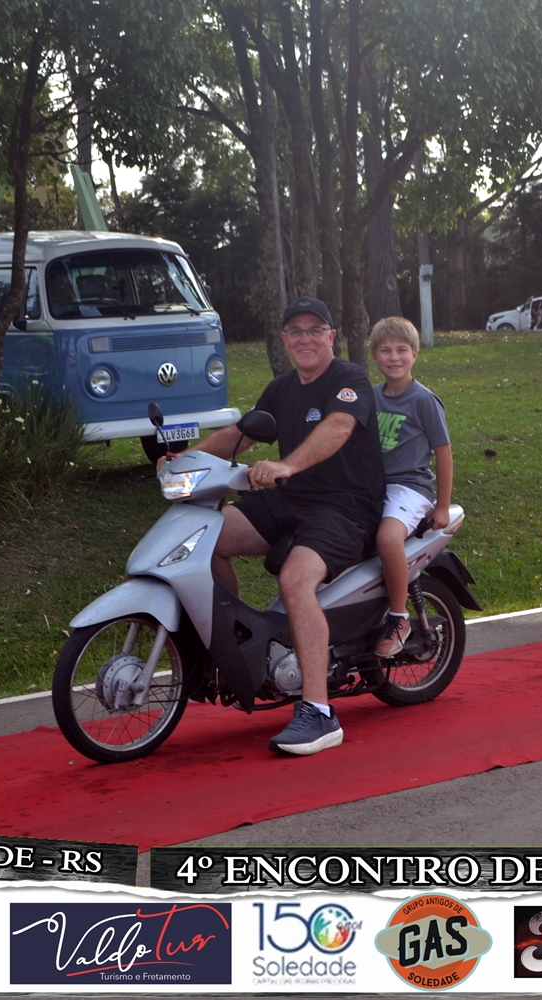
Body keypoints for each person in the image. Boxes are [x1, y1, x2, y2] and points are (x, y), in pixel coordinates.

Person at [177, 296, 383, 756]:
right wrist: (183, 461)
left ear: (331, 336)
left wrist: (287, 464)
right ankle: (235, 641)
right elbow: (238, 434)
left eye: (315, 330)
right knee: (205, 537)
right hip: (292, 498)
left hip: (346, 507)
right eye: (296, 331)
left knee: (295, 579)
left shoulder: (348, 379)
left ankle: (319, 712)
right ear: (285, 340)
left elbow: (338, 427)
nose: (305, 339)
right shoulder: (282, 388)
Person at [368, 317, 453, 657]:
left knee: (387, 539)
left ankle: (399, 617)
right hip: (374, 487)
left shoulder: (424, 401)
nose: (394, 358)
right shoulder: (371, 397)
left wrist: (442, 505)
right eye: (385, 350)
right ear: (374, 356)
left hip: (409, 488)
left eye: (401, 350)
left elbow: (443, 454)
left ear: (415, 354)